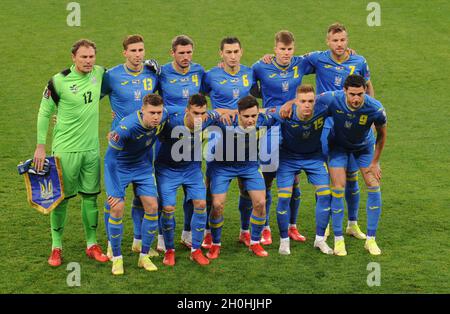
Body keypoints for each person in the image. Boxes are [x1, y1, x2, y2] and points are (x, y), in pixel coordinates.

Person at [278, 23, 374, 240]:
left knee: (351, 176)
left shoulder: (359, 61)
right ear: (327, 41)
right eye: (335, 40)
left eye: (343, 40)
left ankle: (352, 223)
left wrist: (370, 111)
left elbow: (367, 87)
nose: (339, 44)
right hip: (326, 124)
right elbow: (291, 59)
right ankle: (327, 223)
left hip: (350, 123)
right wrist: (270, 57)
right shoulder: (317, 58)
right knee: (329, 175)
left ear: (347, 40)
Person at [33, 39, 109, 267]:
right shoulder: (58, 81)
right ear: (73, 57)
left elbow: (124, 81)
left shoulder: (100, 73)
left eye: (91, 57)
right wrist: (40, 146)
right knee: (61, 200)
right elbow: (44, 113)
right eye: (83, 57)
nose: (88, 61)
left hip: (91, 150)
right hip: (65, 151)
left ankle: (92, 244)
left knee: (91, 198)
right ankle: (56, 247)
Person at [252, 30, 314, 245]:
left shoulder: (301, 63)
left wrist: (348, 51)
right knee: (268, 178)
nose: (286, 53)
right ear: (274, 48)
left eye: (289, 49)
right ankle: (266, 227)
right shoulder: (261, 66)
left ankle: (292, 226)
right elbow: (248, 88)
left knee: (294, 180)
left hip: (294, 127)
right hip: (270, 127)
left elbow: (326, 62)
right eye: (281, 49)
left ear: (293, 49)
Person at [101, 34, 159, 259]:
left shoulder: (152, 73)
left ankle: (138, 241)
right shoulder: (111, 75)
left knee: (141, 195)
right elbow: (92, 99)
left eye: (141, 50)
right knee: (115, 198)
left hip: (144, 147)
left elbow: (159, 102)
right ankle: (110, 242)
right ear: (124, 52)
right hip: (120, 145)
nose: (137, 55)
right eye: (133, 51)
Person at [317, 74, 387, 256]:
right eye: (352, 94)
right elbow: (309, 105)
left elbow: (382, 135)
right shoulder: (331, 99)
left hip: (363, 149)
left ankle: (371, 239)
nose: (356, 99)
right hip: (338, 147)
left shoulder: (375, 108)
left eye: (360, 94)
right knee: (338, 187)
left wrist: (375, 161)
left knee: (373, 184)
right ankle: (338, 240)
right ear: (344, 92)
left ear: (365, 92)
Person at [155, 94, 226, 266]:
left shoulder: (208, 119)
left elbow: (222, 113)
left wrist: (225, 116)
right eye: (195, 113)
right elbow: (151, 125)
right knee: (168, 207)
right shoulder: (172, 121)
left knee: (201, 204)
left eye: (202, 113)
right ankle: (169, 250)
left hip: (192, 169)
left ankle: (195, 250)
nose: (199, 117)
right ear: (187, 110)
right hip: (167, 169)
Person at [201, 37, 257, 248]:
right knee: (211, 184)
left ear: (241, 52)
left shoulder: (250, 72)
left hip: (245, 136)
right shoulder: (211, 75)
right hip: (218, 136)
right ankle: (208, 231)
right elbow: (201, 97)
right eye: (228, 52)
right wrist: (219, 112)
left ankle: (244, 231)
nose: (232, 56)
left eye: (236, 52)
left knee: (245, 185)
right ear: (221, 54)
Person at [264, 85, 333, 255]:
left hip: (314, 158)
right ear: (296, 102)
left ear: (315, 101)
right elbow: (259, 111)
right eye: (303, 101)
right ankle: (284, 241)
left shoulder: (323, 109)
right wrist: (230, 113)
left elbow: (344, 98)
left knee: (325, 196)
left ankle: (319, 240)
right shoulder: (284, 112)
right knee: (283, 199)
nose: (307, 105)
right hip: (288, 159)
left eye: (310, 101)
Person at [104, 94, 168, 275]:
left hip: (143, 168)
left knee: (153, 207)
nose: (156, 117)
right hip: (120, 167)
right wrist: (115, 190)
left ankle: (143, 256)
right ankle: (117, 258)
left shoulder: (164, 116)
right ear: (142, 111)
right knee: (116, 207)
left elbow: (184, 111)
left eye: (159, 112)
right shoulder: (126, 127)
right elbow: (109, 160)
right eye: (152, 113)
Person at [206, 95, 277, 259]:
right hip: (222, 166)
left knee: (260, 202)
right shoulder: (225, 122)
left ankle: (255, 242)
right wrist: (221, 113)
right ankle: (215, 244)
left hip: (249, 165)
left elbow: (279, 111)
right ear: (238, 114)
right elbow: (208, 113)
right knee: (217, 205)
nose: (251, 120)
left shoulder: (263, 120)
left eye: (254, 116)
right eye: (246, 116)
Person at [158, 35, 205, 249]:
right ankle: (161, 235)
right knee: (163, 191)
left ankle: (187, 232)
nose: (186, 57)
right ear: (172, 53)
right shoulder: (162, 72)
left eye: (189, 52)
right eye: (181, 53)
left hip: (191, 135)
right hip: (167, 135)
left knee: (192, 190)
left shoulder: (200, 72)